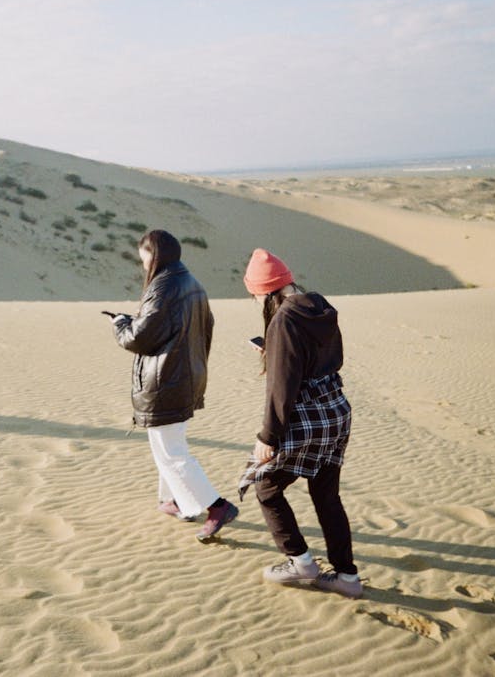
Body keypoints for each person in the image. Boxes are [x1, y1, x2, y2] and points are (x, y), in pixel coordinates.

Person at [238, 248, 363, 597]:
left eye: (256, 295)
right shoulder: (318, 305)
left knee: (265, 486)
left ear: (265, 291)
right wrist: (274, 349)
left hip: (308, 416)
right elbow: (319, 355)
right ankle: (347, 578)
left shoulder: (283, 321)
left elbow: (282, 387)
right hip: (337, 409)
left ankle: (300, 562)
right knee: (326, 494)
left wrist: (268, 436)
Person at [110, 229, 238, 542]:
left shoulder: (164, 286)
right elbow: (203, 327)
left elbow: (139, 338)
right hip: (186, 375)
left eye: (144, 259)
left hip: (166, 379)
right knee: (164, 446)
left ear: (155, 256)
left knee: (171, 450)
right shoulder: (191, 282)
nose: (143, 266)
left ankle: (216, 506)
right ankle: (180, 502)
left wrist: (120, 325)